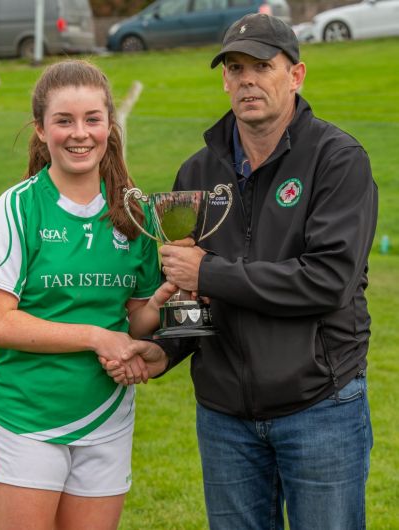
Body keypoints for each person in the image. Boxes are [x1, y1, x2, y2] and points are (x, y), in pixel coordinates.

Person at [103, 14, 378, 530]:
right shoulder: (198, 172)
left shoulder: (338, 161)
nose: (247, 79)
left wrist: (211, 273)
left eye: (261, 66)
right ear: (224, 79)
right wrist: (164, 350)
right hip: (225, 416)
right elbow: (194, 293)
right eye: (235, 67)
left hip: (319, 406)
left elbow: (326, 281)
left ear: (294, 76)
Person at [0, 59, 175, 530]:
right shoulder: (19, 207)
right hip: (25, 417)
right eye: (64, 120)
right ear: (41, 130)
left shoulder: (134, 212)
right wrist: (95, 337)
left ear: (109, 126)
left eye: (92, 119)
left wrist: (161, 305)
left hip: (107, 418)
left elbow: (136, 320)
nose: (79, 133)